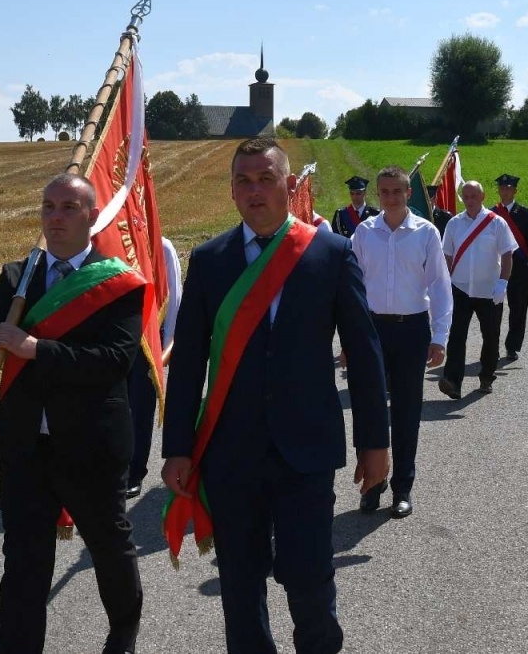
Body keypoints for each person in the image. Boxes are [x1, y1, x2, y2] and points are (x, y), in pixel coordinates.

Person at [162, 137, 388, 654]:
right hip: (230, 453)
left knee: (309, 577)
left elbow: (365, 353)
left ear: (290, 186)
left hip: (305, 450)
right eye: (243, 180)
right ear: (232, 190)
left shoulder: (330, 253)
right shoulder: (210, 259)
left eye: (266, 179)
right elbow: (190, 361)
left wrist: (375, 442)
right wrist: (177, 446)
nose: (254, 190)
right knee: (240, 585)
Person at [0, 174, 146, 654]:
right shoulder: (18, 278)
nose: (55, 217)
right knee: (23, 560)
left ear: (91, 216)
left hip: (92, 442)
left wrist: (38, 349)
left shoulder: (118, 282)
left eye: (68, 207)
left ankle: (123, 631)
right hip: (24, 445)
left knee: (108, 547)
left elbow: (115, 360)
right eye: (48, 207)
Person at [349, 166, 453, 518]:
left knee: (407, 411)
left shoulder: (426, 233)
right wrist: (349, 339)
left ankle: (402, 488)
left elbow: (439, 285)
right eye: (384, 192)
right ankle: (372, 484)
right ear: (378, 195)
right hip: (372, 330)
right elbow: (353, 288)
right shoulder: (364, 233)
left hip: (411, 330)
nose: (390, 197)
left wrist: (439, 337)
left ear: (409, 194)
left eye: (397, 191)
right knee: (369, 409)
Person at [440, 180, 518, 396]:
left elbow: (507, 254)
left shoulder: (497, 223)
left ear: (482, 197)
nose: (470, 200)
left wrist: (503, 283)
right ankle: (452, 381)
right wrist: (444, 284)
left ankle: (486, 377)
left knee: (491, 336)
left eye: (474, 196)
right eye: (466, 196)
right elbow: (447, 256)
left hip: (489, 290)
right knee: (456, 335)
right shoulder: (454, 224)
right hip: (460, 288)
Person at [126, 236, 183, 497]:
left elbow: (173, 296)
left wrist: (169, 343)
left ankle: (134, 471)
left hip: (148, 340)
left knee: (140, 407)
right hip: (115, 338)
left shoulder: (161, 246)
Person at [491, 174, 528, 362]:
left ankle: (512, 346)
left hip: (519, 267)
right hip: (495, 268)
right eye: (502, 188)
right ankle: (492, 346)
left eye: (509, 188)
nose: (505, 191)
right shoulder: (491, 214)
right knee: (493, 308)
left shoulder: (526, 213)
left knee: (518, 308)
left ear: (515, 191)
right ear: (499, 190)